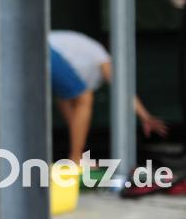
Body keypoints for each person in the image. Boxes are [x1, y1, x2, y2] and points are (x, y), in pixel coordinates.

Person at [49, 29, 168, 165]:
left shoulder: (80, 59)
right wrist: (145, 117)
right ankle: (76, 159)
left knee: (72, 101)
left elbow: (67, 104)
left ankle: (77, 156)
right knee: (85, 98)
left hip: (35, 47)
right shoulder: (102, 57)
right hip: (44, 48)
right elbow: (123, 90)